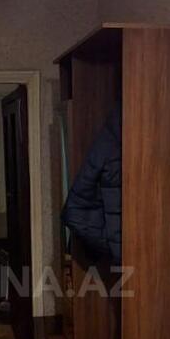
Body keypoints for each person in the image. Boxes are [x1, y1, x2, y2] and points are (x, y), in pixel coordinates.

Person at [61, 103, 122, 265]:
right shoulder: (112, 136)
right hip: (126, 250)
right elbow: (75, 210)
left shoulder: (112, 134)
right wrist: (105, 242)